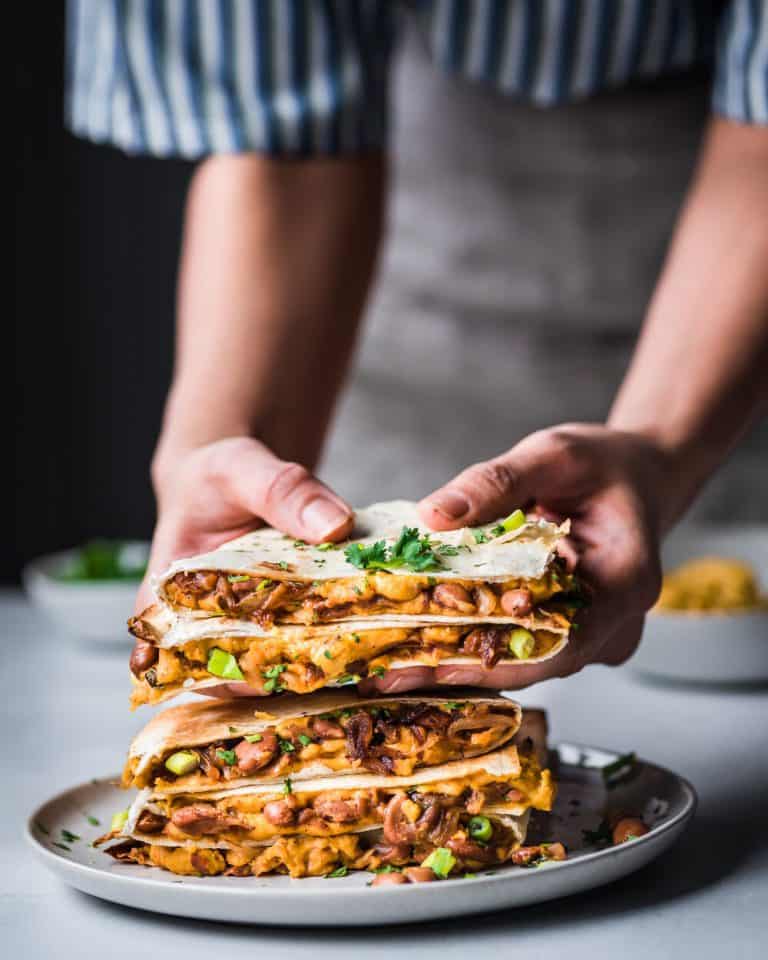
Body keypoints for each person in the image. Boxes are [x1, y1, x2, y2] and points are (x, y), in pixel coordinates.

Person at [67, 1, 768, 693]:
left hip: (730, 340)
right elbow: (282, 135)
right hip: (378, 320)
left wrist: (659, 448)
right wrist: (221, 448)